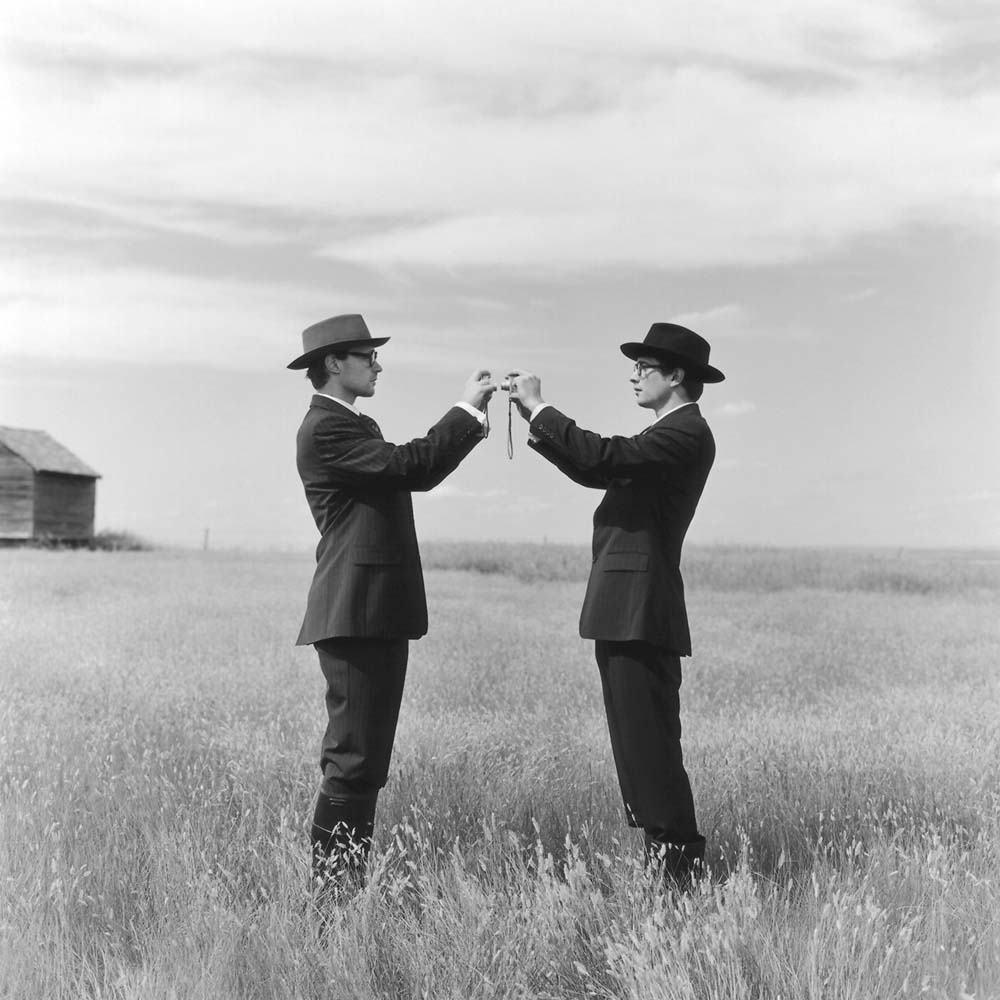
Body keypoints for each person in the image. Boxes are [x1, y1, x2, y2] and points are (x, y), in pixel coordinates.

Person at [507, 322, 724, 888]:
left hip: (641, 612)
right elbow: (593, 467)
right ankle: (669, 885)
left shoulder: (684, 432)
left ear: (676, 375)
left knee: (650, 750)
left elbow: (605, 456)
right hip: (626, 611)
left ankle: (679, 886)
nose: (633, 375)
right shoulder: (662, 436)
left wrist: (541, 406)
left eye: (644, 367)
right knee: (637, 749)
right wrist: (533, 416)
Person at [288, 313, 496, 897]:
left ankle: (342, 897)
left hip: (372, 611)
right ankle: (332, 905)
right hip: (355, 612)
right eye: (368, 356)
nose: (378, 365)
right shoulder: (326, 428)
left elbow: (409, 470)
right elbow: (411, 467)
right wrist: (468, 410)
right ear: (334, 363)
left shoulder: (354, 422)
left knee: (366, 761)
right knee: (353, 760)